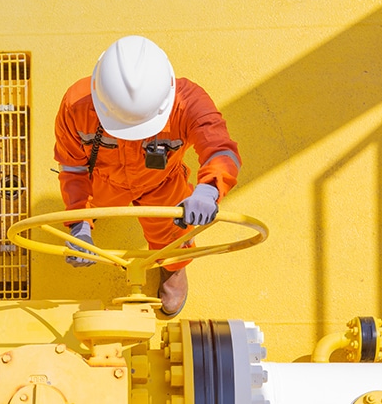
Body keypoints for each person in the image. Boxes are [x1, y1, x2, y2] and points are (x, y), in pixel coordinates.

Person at [53, 35, 241, 317]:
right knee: (82, 221)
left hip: (161, 182)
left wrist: (209, 189)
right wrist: (79, 223)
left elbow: (220, 150)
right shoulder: (75, 106)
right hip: (103, 180)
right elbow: (74, 168)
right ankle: (87, 227)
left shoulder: (190, 104)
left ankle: (173, 266)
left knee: (173, 234)